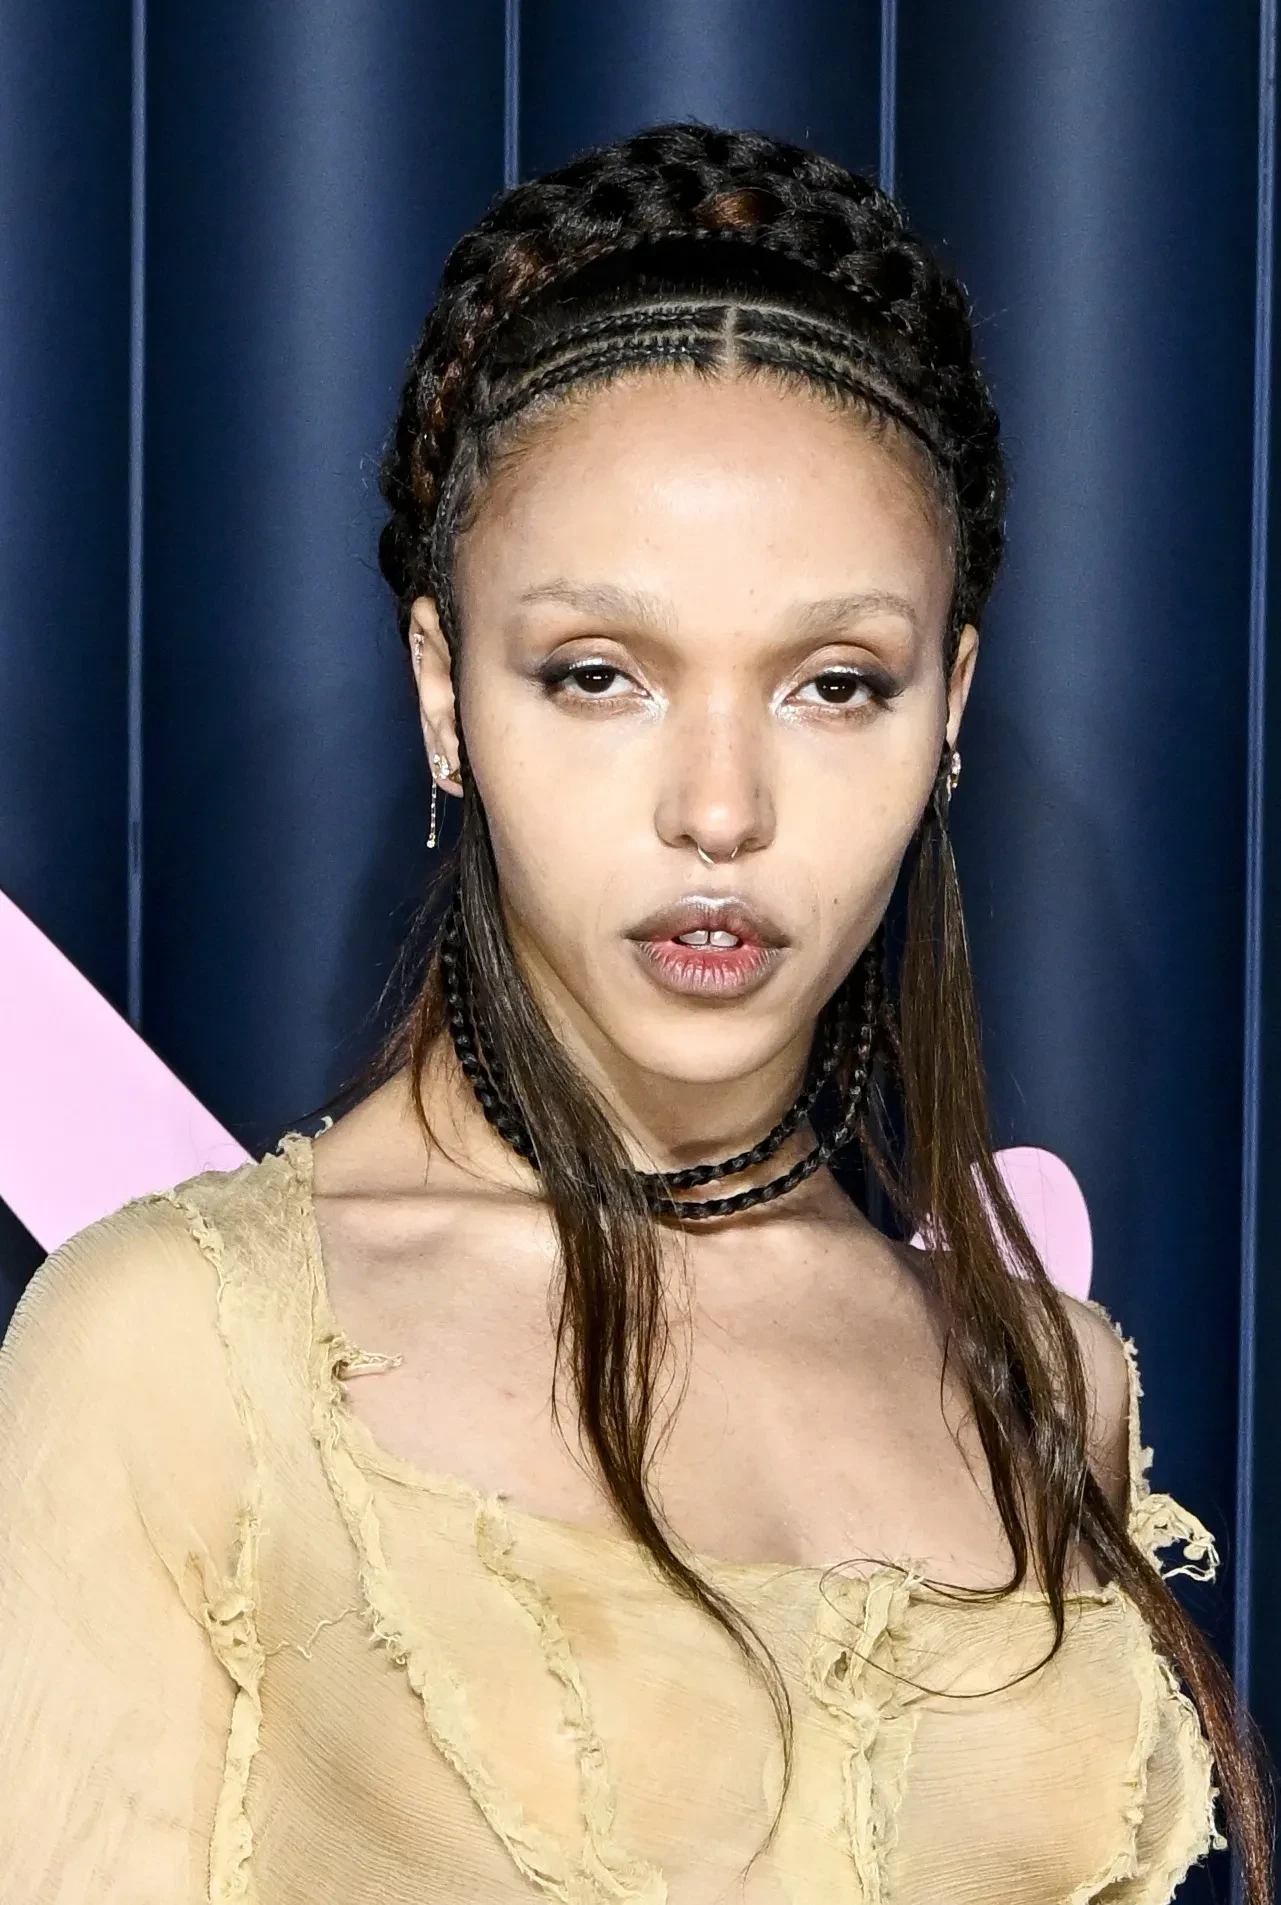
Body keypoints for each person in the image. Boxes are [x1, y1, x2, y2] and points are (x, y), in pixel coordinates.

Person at [0, 123, 1269, 1905]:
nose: (721, 810)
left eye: (839, 684)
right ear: (444, 691)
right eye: (599, 675)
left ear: (951, 705)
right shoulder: (178, 1349)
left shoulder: (1054, 1386)